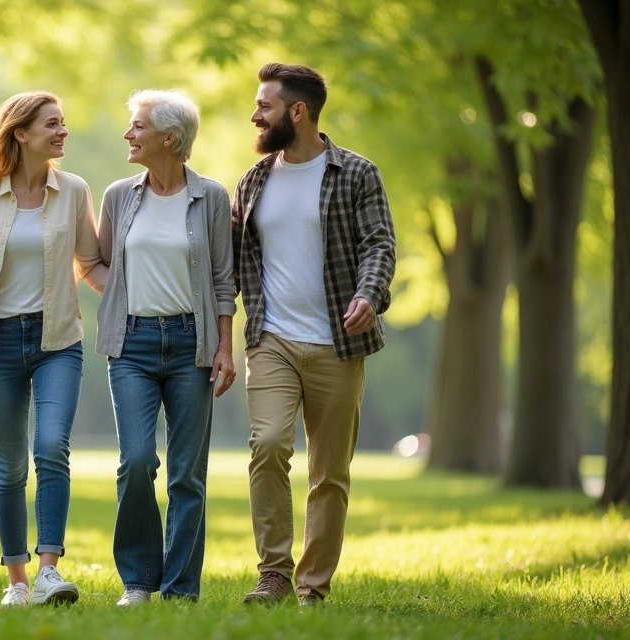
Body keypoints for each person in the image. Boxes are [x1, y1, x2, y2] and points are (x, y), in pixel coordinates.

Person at [232, 63, 396, 607]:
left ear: (296, 111)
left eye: (265, 106)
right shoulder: (253, 180)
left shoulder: (356, 173)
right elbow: (233, 262)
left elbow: (379, 243)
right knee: (269, 444)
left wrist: (369, 295)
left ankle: (313, 587)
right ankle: (273, 573)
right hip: (271, 338)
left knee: (330, 472)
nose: (255, 115)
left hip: (337, 342)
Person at [0, 92, 106, 607]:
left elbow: (90, 262)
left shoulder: (75, 190)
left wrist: (139, 294)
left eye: (63, 123)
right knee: (10, 464)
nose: (62, 132)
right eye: (51, 125)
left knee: (51, 450)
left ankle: (48, 571)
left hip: (57, 340)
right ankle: (16, 582)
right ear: (19, 133)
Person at [95, 89, 236, 605]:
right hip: (130, 342)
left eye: (137, 126)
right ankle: (137, 581)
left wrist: (225, 347)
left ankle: (180, 589)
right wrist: (120, 298)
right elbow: (96, 264)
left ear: (169, 139)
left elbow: (224, 280)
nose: (128, 134)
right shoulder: (118, 196)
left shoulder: (212, 199)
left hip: (190, 345)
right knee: (135, 461)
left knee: (186, 475)